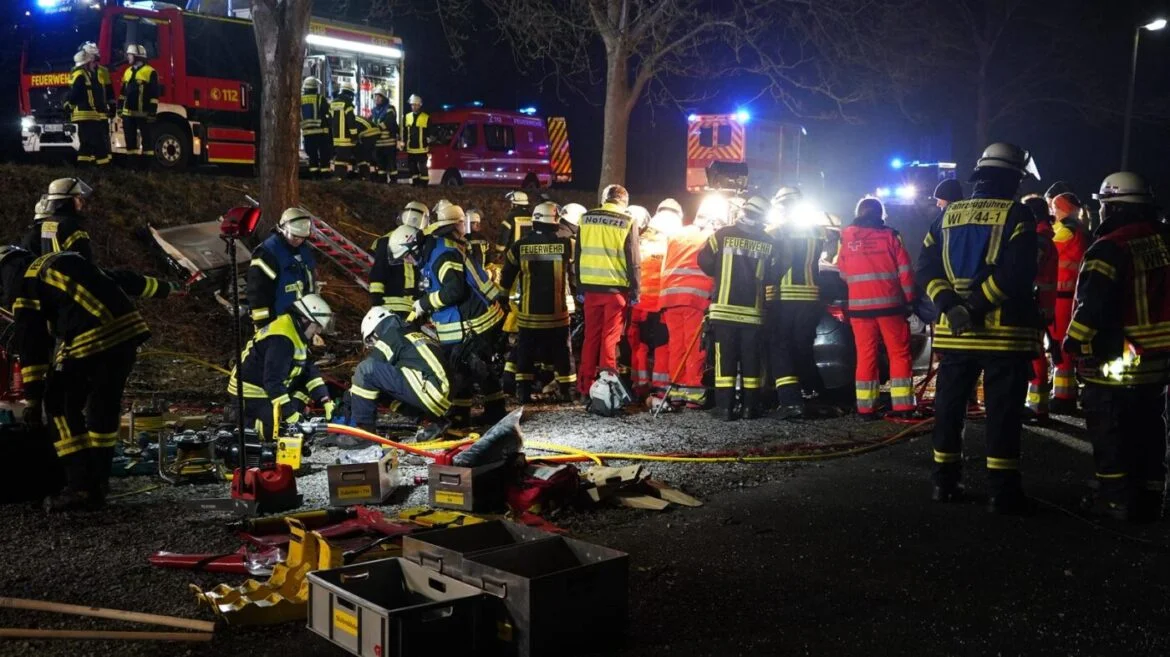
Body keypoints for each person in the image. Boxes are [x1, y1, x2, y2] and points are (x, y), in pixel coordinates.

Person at [916, 142, 1041, 514]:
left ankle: (944, 481)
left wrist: (949, 306)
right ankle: (1002, 492)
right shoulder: (1018, 215)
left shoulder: (947, 215)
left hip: (957, 333)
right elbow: (1018, 275)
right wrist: (975, 306)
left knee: (950, 406)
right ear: (1012, 178)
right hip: (1006, 336)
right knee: (1002, 412)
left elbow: (925, 268)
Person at [0, 247, 174, 511]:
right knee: (102, 409)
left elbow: (31, 343)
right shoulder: (60, 261)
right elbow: (123, 279)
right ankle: (98, 482)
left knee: (58, 404)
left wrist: (34, 398)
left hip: (92, 337)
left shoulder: (24, 284)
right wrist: (167, 288)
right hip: (126, 334)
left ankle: (79, 486)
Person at [1063, 172, 1170, 522]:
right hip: (1159, 358)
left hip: (1118, 357)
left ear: (1112, 207)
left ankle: (1115, 500)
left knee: (1110, 428)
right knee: (1149, 428)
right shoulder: (1163, 239)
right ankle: (1152, 497)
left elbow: (1094, 304)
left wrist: (1073, 340)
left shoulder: (1110, 247)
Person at [415, 204, 507, 427]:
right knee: (461, 368)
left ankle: (493, 413)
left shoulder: (442, 253)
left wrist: (424, 303)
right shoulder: (441, 248)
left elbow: (455, 290)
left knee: (474, 366)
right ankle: (463, 415)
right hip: (467, 321)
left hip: (474, 322)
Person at [837, 197, 916, 420]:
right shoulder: (891, 235)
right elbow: (905, 271)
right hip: (891, 306)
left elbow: (842, 272)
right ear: (881, 214)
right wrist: (909, 299)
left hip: (860, 310)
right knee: (899, 354)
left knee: (865, 356)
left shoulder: (847, 235)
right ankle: (903, 408)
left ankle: (866, 408)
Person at [697, 196, 773, 420]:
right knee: (751, 360)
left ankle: (725, 408)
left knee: (725, 360)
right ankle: (750, 408)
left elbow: (702, 259)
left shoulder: (722, 234)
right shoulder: (768, 241)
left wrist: (719, 272)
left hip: (724, 310)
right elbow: (773, 273)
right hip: (753, 313)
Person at [227, 294, 335, 443]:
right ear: (305, 320)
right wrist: (290, 415)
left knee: (298, 412)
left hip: (268, 384)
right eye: (316, 326)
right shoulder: (281, 340)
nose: (318, 332)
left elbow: (308, 369)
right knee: (283, 430)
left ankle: (293, 412)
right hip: (250, 391)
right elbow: (273, 382)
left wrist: (324, 399)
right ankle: (243, 421)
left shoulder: (295, 330)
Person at [499, 201, 577, 403]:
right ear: (555, 222)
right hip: (557, 315)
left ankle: (523, 393)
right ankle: (566, 391)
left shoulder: (519, 246)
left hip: (529, 315)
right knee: (562, 353)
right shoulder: (567, 244)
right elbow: (574, 276)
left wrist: (503, 297)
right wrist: (577, 298)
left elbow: (506, 276)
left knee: (525, 352)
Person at [575, 184, 640, 398]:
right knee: (610, 338)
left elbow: (579, 255)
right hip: (615, 290)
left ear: (605, 199)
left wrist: (580, 287)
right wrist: (636, 290)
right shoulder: (627, 220)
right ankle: (607, 387)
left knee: (590, 337)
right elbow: (633, 259)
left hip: (591, 288)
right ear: (624, 201)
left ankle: (585, 386)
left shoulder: (585, 218)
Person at [768, 186, 828, 417]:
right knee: (802, 346)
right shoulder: (816, 231)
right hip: (810, 296)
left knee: (780, 345)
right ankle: (813, 390)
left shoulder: (776, 231)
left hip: (784, 296)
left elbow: (773, 263)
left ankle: (790, 399)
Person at [352, 308, 451, 440]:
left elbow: (370, 366)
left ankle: (363, 435)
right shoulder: (412, 333)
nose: (373, 345)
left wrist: (352, 397)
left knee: (364, 370)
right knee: (382, 390)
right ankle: (432, 422)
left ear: (376, 330)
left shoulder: (391, 335)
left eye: (371, 340)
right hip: (442, 396)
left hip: (429, 388)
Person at [656, 197, 712, 408]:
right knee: (694, 345)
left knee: (676, 345)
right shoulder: (710, 236)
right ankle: (695, 393)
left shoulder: (676, 234)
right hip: (694, 297)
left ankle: (676, 391)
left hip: (669, 296)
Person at [1050, 192, 1092, 414]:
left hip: (1061, 298)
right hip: (1070, 296)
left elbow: (1048, 250)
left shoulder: (1067, 230)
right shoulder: (1081, 229)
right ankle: (1067, 392)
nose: (1052, 213)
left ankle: (1064, 395)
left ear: (1061, 209)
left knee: (1061, 346)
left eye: (1054, 208)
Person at [627, 206, 673, 398]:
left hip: (639, 305)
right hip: (661, 307)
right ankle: (661, 386)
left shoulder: (640, 242)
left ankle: (640, 384)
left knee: (640, 345)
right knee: (662, 345)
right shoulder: (671, 244)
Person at [1021, 195, 1059, 424]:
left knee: (1034, 354)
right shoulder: (1044, 236)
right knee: (1036, 354)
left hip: (1035, 304)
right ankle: (1037, 404)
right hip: (1042, 303)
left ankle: (1036, 407)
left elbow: (1027, 268)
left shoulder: (1039, 239)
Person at [247, 208, 317, 329]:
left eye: (302, 237)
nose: (298, 241)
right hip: (274, 322)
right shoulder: (267, 254)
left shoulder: (305, 251)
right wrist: (263, 326)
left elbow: (310, 283)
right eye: (294, 236)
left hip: (299, 320)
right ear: (281, 229)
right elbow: (258, 293)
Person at [22, 178, 95, 262]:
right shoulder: (71, 226)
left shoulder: (47, 224)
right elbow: (86, 265)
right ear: (68, 200)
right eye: (78, 198)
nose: (82, 202)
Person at [66, 44, 111, 167]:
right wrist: (69, 105)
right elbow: (74, 93)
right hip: (88, 113)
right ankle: (104, 168)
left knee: (86, 142)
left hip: (91, 113)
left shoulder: (90, 73)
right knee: (98, 142)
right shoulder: (81, 75)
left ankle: (84, 168)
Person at [118, 44, 159, 169]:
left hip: (144, 113)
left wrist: (152, 112)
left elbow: (154, 94)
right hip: (128, 114)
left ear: (137, 56)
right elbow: (123, 92)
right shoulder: (127, 71)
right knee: (130, 140)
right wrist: (119, 108)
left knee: (147, 140)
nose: (128, 57)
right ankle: (132, 167)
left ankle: (147, 168)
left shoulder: (150, 72)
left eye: (130, 55)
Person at [368, 224, 421, 318]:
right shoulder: (387, 241)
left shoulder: (417, 241)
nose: (407, 260)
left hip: (410, 309)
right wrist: (376, 302)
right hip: (390, 308)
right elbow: (378, 273)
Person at [300, 77, 332, 179]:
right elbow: (328, 114)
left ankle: (314, 176)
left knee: (312, 156)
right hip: (321, 132)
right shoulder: (320, 98)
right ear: (315, 87)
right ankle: (325, 176)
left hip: (307, 133)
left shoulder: (300, 100)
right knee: (324, 155)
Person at [330, 82, 359, 179]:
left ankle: (339, 178)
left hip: (334, 138)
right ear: (350, 94)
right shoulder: (348, 105)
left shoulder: (333, 103)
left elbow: (329, 119)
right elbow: (351, 122)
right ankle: (340, 178)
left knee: (338, 158)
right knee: (342, 160)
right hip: (345, 139)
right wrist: (354, 136)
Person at [371, 88, 399, 183]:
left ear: (384, 98)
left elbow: (389, 122)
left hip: (389, 143)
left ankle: (394, 182)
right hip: (378, 144)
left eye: (379, 96)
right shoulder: (374, 111)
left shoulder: (389, 109)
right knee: (381, 166)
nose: (376, 99)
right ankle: (382, 183)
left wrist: (377, 127)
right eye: (375, 96)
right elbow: (370, 122)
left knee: (391, 166)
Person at [402, 94, 429, 186]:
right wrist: (403, 142)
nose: (414, 106)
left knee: (423, 167)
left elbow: (430, 131)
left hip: (422, 148)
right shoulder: (407, 116)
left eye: (416, 105)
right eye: (412, 105)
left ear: (420, 105)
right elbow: (405, 131)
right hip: (410, 147)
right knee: (412, 167)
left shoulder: (426, 117)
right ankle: (415, 182)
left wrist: (429, 140)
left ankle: (424, 184)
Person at [496, 191, 533, 257]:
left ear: (515, 204)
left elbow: (504, 236)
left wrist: (499, 251)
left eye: (511, 203)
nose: (511, 205)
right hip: (530, 254)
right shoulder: (532, 217)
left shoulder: (511, 217)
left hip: (514, 254)